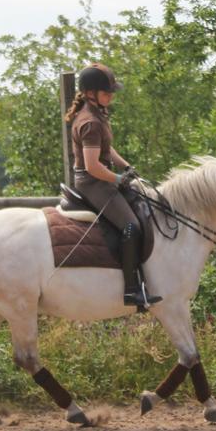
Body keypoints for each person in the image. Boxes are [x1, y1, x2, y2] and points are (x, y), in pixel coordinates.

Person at [65, 63, 160, 310]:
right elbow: (93, 166)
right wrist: (118, 179)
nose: (111, 96)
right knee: (131, 226)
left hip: (102, 179)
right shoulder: (90, 122)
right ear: (89, 94)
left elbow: (107, 150)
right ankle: (130, 290)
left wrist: (126, 166)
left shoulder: (98, 115)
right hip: (93, 183)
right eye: (106, 92)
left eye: (111, 92)